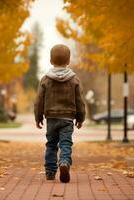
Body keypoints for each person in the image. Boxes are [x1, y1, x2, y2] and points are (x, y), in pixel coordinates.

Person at [34, 44, 86, 183]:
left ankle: (50, 172)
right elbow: (80, 100)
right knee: (66, 143)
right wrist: (80, 117)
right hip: (67, 118)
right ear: (68, 61)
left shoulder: (45, 79)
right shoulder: (74, 80)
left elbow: (39, 100)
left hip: (51, 118)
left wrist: (38, 116)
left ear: (51, 61)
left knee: (51, 144)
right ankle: (64, 162)